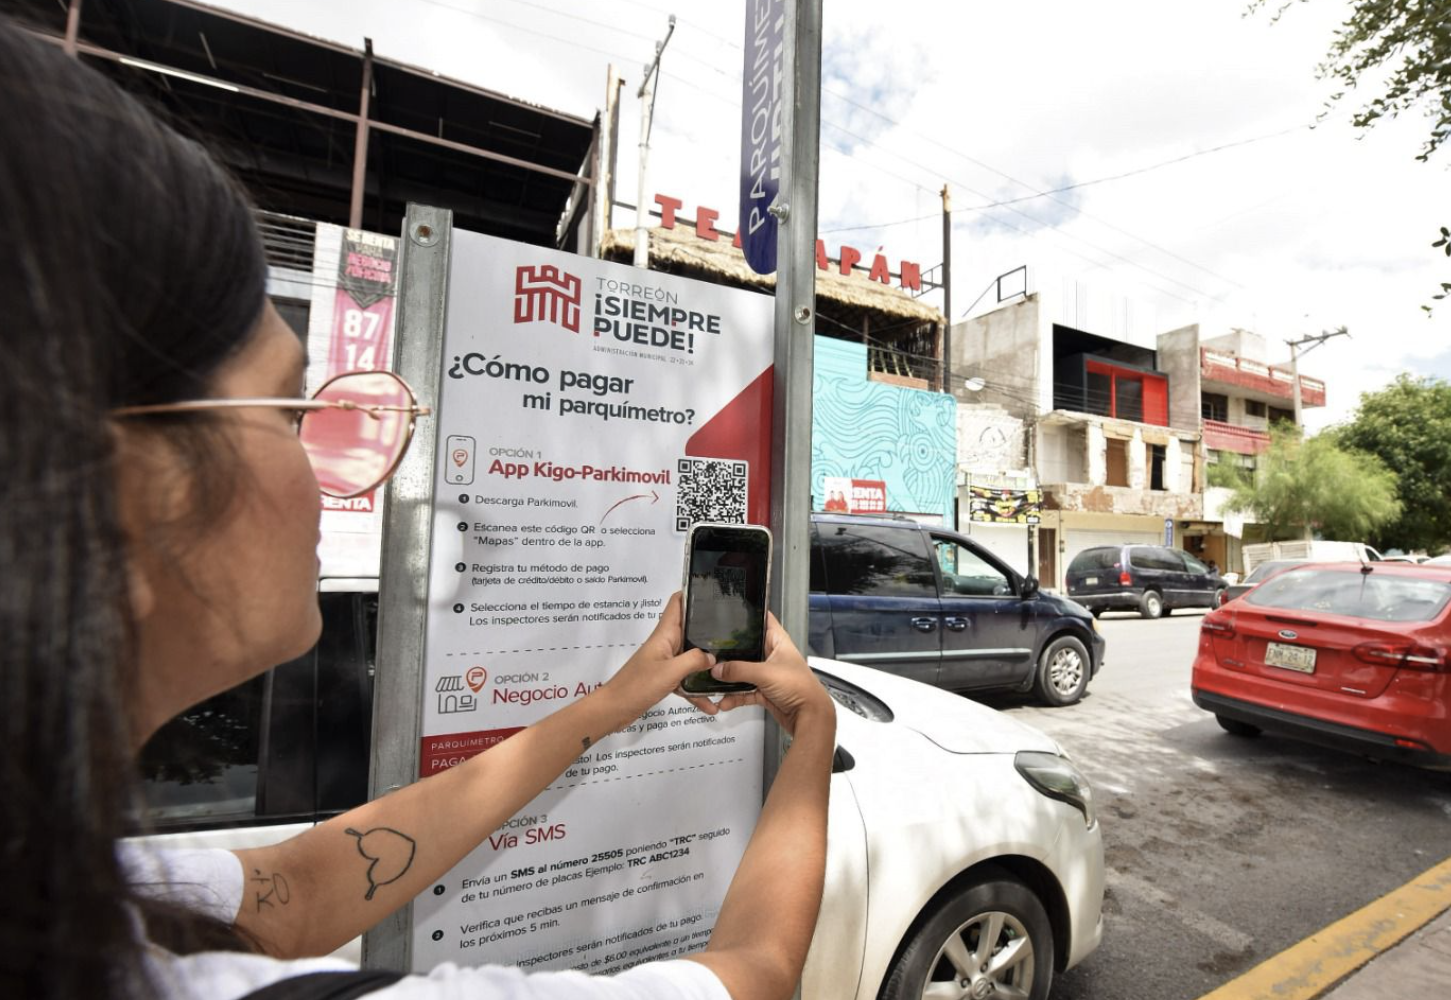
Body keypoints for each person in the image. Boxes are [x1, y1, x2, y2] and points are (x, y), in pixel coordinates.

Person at [0, 22, 834, 1000]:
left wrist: (610, 705)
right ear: (117, 498)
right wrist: (810, 727)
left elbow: (302, 891)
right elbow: (756, 973)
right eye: (285, 409)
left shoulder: (86, 901)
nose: (337, 465)